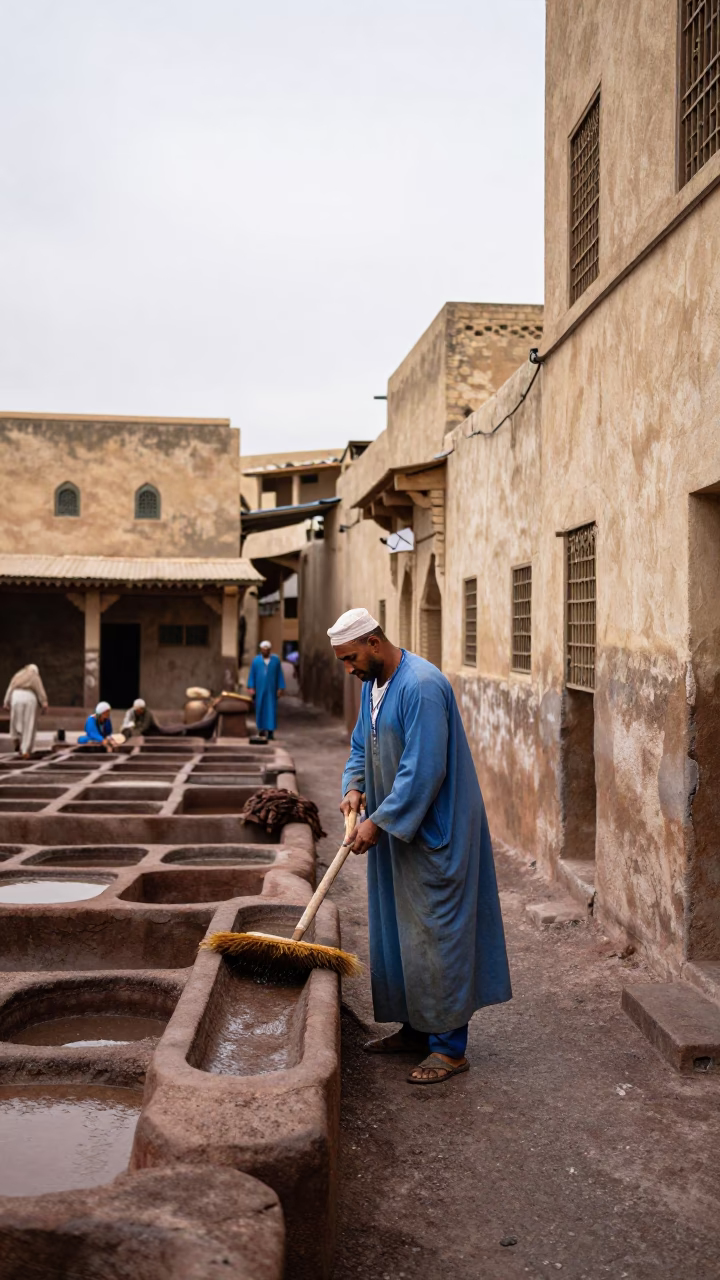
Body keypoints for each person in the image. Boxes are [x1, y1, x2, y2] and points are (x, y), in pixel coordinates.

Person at [329, 606, 511, 1086]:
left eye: (350, 658)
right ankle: (415, 1029)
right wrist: (354, 785)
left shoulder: (422, 686)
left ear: (373, 641)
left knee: (436, 936)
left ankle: (449, 1049)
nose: (349, 670)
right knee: (400, 933)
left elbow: (424, 769)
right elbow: (360, 747)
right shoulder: (373, 685)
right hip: (396, 834)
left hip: (434, 834)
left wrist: (379, 822)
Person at [3, 663, 48, 758]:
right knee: (29, 724)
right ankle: (25, 750)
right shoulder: (34, 675)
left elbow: (10, 688)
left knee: (16, 722)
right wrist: (44, 703)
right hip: (29, 698)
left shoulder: (18, 675)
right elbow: (39, 690)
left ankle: (16, 738)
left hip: (15, 696)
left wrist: (6, 701)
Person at [247, 640, 285, 740]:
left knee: (271, 710)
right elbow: (252, 675)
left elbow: (279, 675)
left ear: (269, 650)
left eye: (267, 650)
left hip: (271, 690)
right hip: (260, 690)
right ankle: (261, 730)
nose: (265, 651)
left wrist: (280, 687)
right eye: (263, 649)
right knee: (260, 709)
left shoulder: (275, 660)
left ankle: (271, 732)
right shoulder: (256, 661)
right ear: (261, 650)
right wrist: (251, 687)